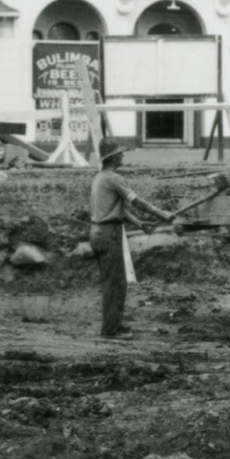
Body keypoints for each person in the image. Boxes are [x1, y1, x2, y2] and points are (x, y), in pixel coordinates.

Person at [90, 138, 175, 339]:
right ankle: (111, 330)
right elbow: (138, 203)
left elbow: (118, 209)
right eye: (120, 153)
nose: (123, 155)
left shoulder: (100, 178)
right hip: (108, 234)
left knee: (111, 282)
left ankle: (112, 325)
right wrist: (162, 214)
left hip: (97, 232)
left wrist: (140, 224)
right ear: (113, 156)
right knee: (116, 283)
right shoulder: (113, 178)